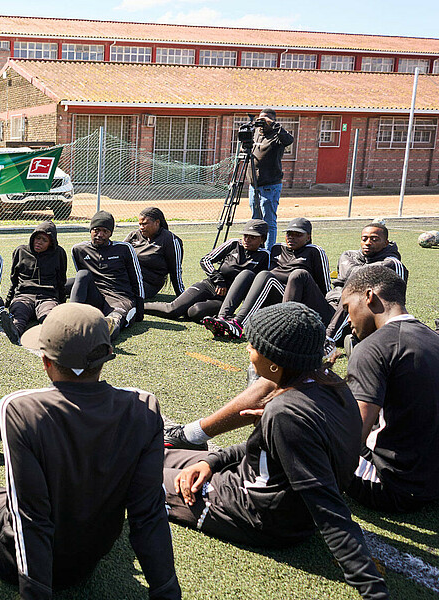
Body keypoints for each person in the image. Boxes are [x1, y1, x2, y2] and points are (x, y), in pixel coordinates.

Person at [0, 303, 181, 600]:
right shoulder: (144, 406)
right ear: (106, 358)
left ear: (46, 361)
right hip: (87, 559)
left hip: (18, 554)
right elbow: (148, 513)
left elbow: (30, 520)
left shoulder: (21, 408)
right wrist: (167, 592)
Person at [163, 303, 388, 600]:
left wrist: (374, 591)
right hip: (259, 484)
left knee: (132, 472)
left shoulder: (287, 411)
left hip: (258, 515)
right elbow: (273, 448)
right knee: (156, 455)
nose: (248, 350)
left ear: (275, 364)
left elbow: (329, 508)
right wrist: (212, 461)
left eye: (254, 345)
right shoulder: (331, 385)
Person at [339, 266, 439, 512]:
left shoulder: (373, 348)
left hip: (390, 484)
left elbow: (353, 435)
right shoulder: (432, 339)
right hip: (432, 481)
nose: (348, 319)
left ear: (369, 297)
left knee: (303, 430)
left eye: (347, 308)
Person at [202, 217, 329, 340]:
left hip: (298, 302)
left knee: (268, 276)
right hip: (276, 297)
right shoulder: (277, 249)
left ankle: (239, 324)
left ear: (308, 237)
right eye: (289, 234)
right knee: (247, 273)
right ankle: (222, 319)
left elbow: (325, 288)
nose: (292, 237)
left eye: (298, 235)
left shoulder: (314, 251)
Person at [284, 222, 407, 349]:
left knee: (355, 290)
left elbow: (397, 302)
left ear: (386, 243)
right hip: (331, 309)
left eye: (374, 239)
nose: (368, 242)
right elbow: (355, 273)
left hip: (359, 320)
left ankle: (328, 340)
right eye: (364, 239)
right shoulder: (348, 255)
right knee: (299, 274)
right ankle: (284, 329)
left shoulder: (392, 263)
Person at [145, 219, 270, 321]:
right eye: (245, 235)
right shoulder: (233, 244)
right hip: (209, 285)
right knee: (172, 310)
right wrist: (218, 280)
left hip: (224, 299)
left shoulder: (266, 256)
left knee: (194, 312)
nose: (247, 239)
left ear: (263, 239)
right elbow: (206, 260)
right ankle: (139, 306)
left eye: (253, 237)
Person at [68, 210, 144, 334]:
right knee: (82, 275)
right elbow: (83, 282)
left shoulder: (124, 249)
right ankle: (71, 319)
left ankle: (101, 338)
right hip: (96, 298)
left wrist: (140, 307)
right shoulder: (79, 250)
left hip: (120, 299)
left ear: (110, 234)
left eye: (105, 231)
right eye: (96, 230)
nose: (100, 234)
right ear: (90, 230)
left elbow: (137, 279)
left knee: (113, 322)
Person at [1, 221, 67, 345]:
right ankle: (14, 331)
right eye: (37, 238)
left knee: (48, 317)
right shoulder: (20, 251)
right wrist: (8, 301)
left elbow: (61, 281)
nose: (39, 242)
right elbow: (14, 279)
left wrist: (61, 304)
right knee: (19, 314)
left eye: (44, 240)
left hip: (47, 297)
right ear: (32, 238)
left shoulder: (59, 253)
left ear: (51, 243)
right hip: (24, 296)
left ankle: (49, 333)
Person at [246, 108, 294, 252]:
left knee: (268, 221)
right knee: (255, 219)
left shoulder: (277, 135)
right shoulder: (255, 134)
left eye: (265, 119)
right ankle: (257, 248)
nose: (262, 122)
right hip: (254, 185)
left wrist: (272, 125)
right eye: (260, 119)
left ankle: (268, 251)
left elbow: (289, 140)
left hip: (270, 186)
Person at [123, 207, 184, 300]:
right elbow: (119, 254)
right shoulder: (134, 235)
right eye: (140, 224)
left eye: (145, 224)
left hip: (147, 284)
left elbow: (175, 271)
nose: (141, 227)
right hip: (126, 277)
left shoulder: (170, 240)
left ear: (157, 222)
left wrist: (183, 298)